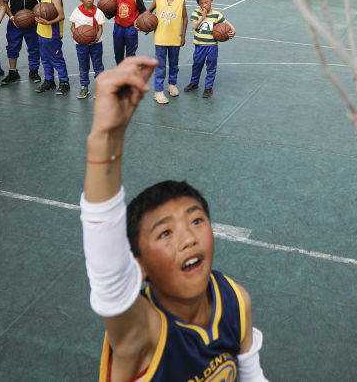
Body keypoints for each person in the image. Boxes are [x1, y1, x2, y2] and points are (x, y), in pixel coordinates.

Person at [81, 56, 269, 382]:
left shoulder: (235, 301)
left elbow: (251, 377)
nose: (188, 238)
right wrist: (103, 141)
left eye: (196, 221)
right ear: (138, 264)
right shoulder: (143, 332)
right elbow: (109, 279)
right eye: (165, 233)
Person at [184, 0, 235, 99]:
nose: (204, 5)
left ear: (211, 1)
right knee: (197, 65)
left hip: (212, 46)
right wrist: (202, 16)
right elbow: (194, 26)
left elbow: (226, 23)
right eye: (201, 3)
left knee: (211, 66)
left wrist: (233, 30)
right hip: (199, 45)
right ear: (198, 4)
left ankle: (208, 87)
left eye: (206, 2)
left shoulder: (217, 14)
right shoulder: (196, 13)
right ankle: (194, 83)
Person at [146, 0, 187, 104]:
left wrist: (183, 35)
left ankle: (172, 85)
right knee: (161, 66)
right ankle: (158, 92)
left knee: (174, 64)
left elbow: (185, 18)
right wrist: (145, 25)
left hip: (175, 38)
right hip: (160, 38)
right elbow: (148, 13)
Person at [28, 0, 70, 95]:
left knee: (57, 59)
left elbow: (61, 16)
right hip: (41, 32)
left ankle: (64, 82)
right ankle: (49, 81)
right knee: (45, 58)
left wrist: (48, 23)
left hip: (52, 34)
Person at [0, 0, 42, 85]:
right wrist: (12, 17)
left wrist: (38, 15)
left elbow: (42, 3)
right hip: (15, 22)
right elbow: (4, 3)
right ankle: (13, 72)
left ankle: (33, 71)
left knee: (34, 48)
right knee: (12, 47)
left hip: (32, 23)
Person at [69, 0, 108, 99]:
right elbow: (72, 27)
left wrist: (96, 38)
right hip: (81, 45)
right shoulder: (76, 11)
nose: (89, 0)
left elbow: (100, 29)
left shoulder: (99, 12)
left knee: (98, 66)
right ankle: (84, 87)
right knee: (83, 66)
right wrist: (78, 37)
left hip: (96, 44)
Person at [109, 0, 146, 64]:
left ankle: (130, 74)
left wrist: (141, 23)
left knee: (130, 54)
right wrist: (107, 14)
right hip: (118, 27)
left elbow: (143, 12)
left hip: (130, 28)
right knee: (118, 52)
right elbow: (116, 10)